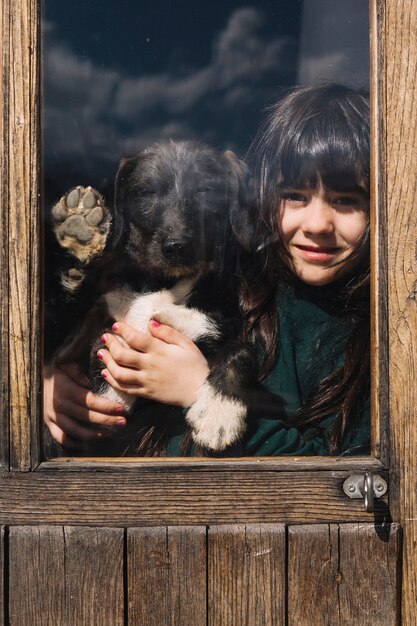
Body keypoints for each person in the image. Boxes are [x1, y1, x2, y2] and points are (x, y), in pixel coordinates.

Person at [43, 83, 370, 456]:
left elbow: (342, 478)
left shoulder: (364, 340)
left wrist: (195, 388)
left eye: (347, 200)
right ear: (261, 196)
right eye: (294, 195)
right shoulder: (243, 287)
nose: (317, 224)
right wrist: (48, 382)